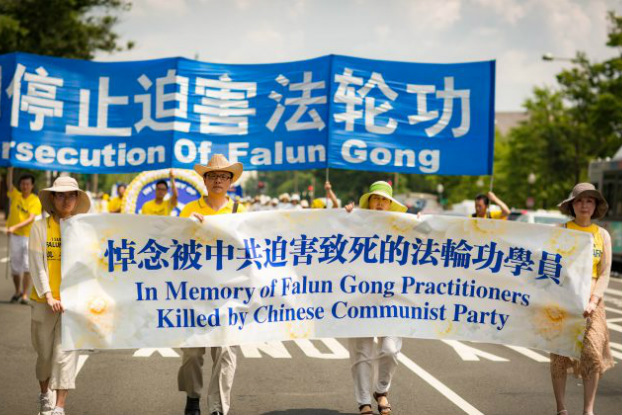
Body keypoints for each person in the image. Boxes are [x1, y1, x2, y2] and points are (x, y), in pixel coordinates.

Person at [178, 154, 246, 415]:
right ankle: (193, 397)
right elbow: (174, 246)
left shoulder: (240, 212)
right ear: (204, 180)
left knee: (226, 352)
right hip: (194, 294)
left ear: (231, 181)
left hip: (229, 295)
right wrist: (188, 227)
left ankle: (218, 408)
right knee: (192, 354)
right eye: (213, 176)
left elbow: (250, 248)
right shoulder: (189, 211)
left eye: (224, 176)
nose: (218, 180)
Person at [550, 183, 614, 415]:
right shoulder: (561, 230)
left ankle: (588, 410)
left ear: (595, 205)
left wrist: (594, 300)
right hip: (563, 302)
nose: (584, 205)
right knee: (559, 354)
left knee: (593, 353)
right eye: (579, 200)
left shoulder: (602, 235)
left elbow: (605, 272)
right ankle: (561, 409)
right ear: (571, 205)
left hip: (593, 302)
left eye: (589, 200)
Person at [28, 176, 91, 415]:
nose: (66, 200)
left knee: (66, 354)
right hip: (44, 302)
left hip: (72, 303)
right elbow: (37, 265)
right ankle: (45, 394)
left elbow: (89, 265)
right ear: (52, 198)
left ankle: (59, 406)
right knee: (44, 354)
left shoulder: (84, 229)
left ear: (77, 198)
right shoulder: (39, 227)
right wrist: (48, 295)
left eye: (71, 195)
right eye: (61, 195)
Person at [344, 181, 407, 415]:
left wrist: (423, 222)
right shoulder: (355, 223)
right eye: (375, 198)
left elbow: (432, 237)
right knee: (362, 353)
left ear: (390, 204)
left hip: (392, 300)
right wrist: (346, 217)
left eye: (384, 199)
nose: (380, 203)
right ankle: (364, 402)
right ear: (369, 202)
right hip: (359, 298)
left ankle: (381, 391)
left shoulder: (403, 227)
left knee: (390, 350)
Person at [6, 167, 42, 304]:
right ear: (20, 185)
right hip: (15, 236)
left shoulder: (35, 200)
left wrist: (14, 226)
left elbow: (31, 218)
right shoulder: (16, 195)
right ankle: (17, 291)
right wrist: (10, 170)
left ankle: (25, 295)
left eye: (28, 184)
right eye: (23, 184)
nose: (25, 186)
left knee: (27, 266)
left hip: (28, 236)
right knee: (15, 267)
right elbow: (9, 185)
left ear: (32, 186)